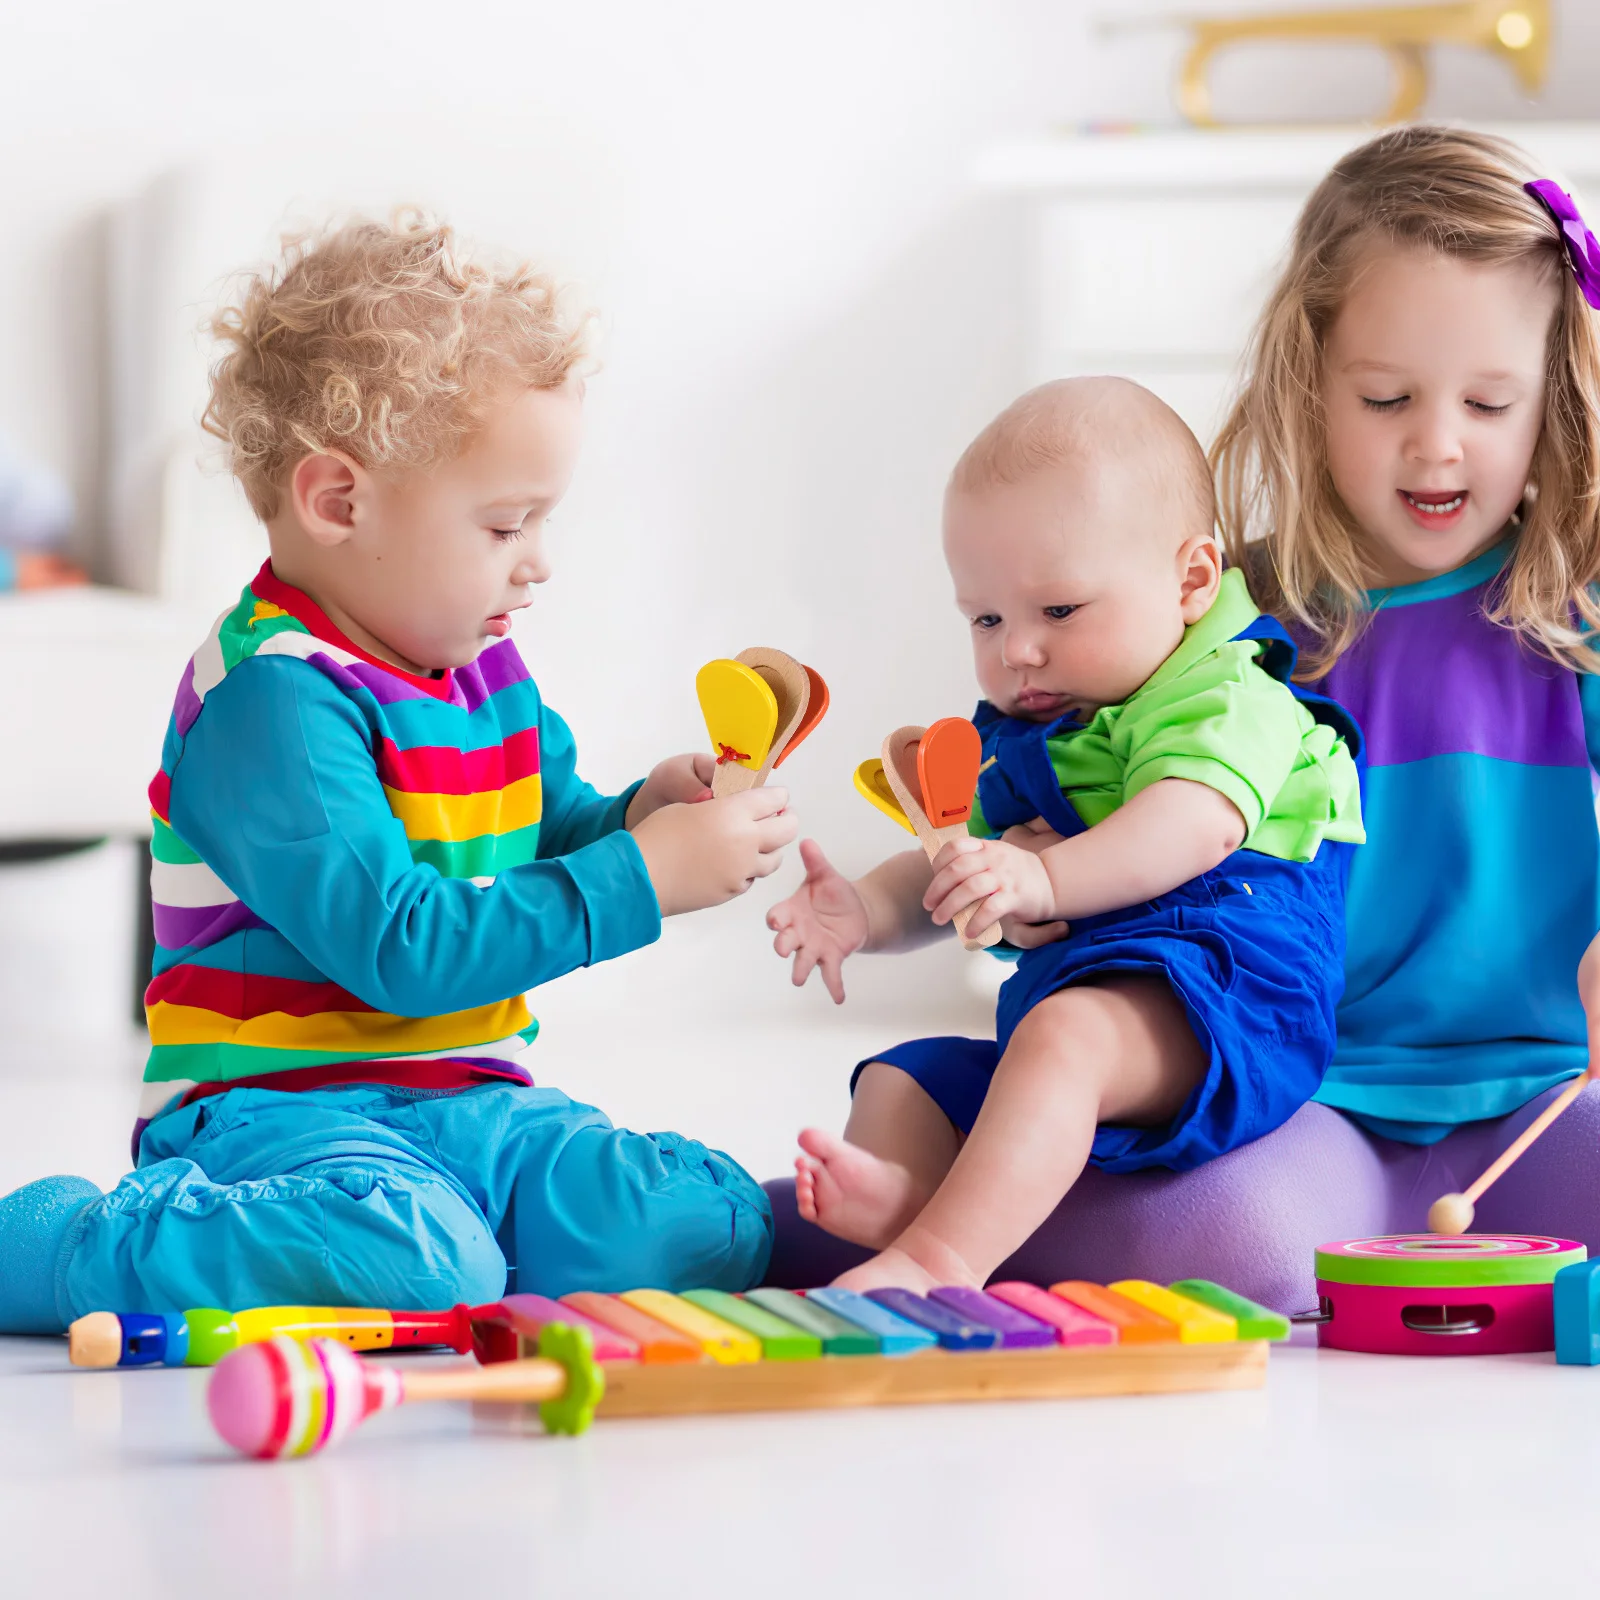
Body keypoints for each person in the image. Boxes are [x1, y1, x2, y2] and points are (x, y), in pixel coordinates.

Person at [763, 125, 1600, 1310]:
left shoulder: (1575, 616)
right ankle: (901, 1216)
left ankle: (930, 1212)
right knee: (1236, 1260)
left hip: (1547, 1090)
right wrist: (1013, 882)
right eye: (1384, 396)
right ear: (1310, 384)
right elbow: (1076, 844)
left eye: (1488, 400)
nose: (1436, 439)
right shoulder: (1205, 626)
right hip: (1302, 1098)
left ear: (1550, 395)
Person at [0, 216, 793, 1331]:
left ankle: (488, 1218)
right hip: (276, 1117)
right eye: (505, 523)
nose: (539, 560)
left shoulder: (475, 662)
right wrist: (640, 878)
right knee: (423, 1265)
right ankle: (73, 1245)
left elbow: (537, 823)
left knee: (697, 1231)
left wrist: (635, 816)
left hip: (474, 1103)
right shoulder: (268, 700)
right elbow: (399, 948)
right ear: (338, 502)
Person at [765, 376, 1363, 1292]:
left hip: (1230, 998)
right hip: (1090, 1002)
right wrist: (865, 912)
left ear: (1191, 580)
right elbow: (957, 861)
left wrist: (1040, 882)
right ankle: (903, 1199)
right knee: (903, 1078)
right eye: (987, 618)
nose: (1018, 652)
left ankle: (937, 1259)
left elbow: (1189, 826)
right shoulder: (1041, 731)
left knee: (1063, 1040)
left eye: (1058, 611)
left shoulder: (1227, 696)